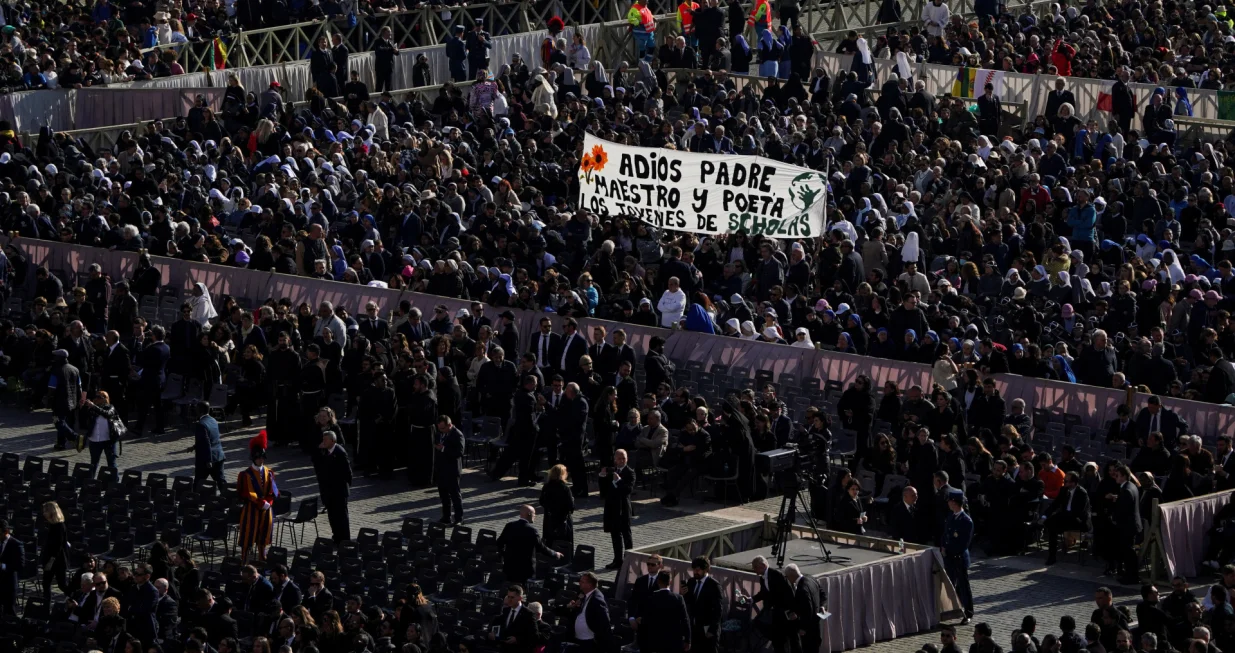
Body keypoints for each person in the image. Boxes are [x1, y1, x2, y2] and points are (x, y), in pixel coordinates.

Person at [237, 432, 279, 564]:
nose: (261, 460)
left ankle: (262, 555)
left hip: (266, 508)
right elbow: (245, 492)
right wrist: (260, 502)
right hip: (251, 508)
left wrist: (269, 502)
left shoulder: (269, 472)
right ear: (253, 458)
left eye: (263, 458)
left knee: (264, 532)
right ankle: (244, 557)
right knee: (248, 534)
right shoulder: (245, 474)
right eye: (259, 458)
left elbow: (273, 490)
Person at [497, 505, 563, 586]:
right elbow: (541, 548)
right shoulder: (532, 530)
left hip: (509, 566)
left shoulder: (510, 526)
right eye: (534, 513)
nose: (535, 516)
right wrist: (555, 554)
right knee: (521, 588)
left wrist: (505, 555)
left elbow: (499, 543)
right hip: (525, 568)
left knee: (510, 587)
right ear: (529, 514)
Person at [314, 429, 353, 542]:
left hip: (339, 492)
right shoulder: (324, 451)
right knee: (332, 517)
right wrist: (319, 450)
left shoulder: (340, 452)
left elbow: (348, 472)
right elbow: (316, 464)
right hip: (328, 491)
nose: (323, 442)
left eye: (326, 440)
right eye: (323, 439)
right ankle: (336, 537)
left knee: (341, 517)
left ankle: (345, 540)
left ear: (333, 440)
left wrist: (345, 486)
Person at [131, 323, 170, 437]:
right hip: (160, 379)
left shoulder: (153, 349)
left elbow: (141, 359)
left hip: (150, 380)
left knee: (144, 405)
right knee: (158, 405)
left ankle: (139, 428)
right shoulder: (166, 347)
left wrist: (140, 343)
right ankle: (160, 427)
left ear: (154, 335)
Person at [751, 555, 796, 653]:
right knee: (761, 627)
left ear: (763, 565)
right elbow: (763, 593)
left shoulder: (777, 575)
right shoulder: (763, 578)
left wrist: (791, 611)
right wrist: (751, 599)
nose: (755, 571)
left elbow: (789, 593)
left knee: (781, 640)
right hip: (772, 613)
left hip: (781, 613)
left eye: (756, 568)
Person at [639, 569, 691, 653]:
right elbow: (685, 620)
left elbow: (646, 620)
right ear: (670, 581)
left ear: (658, 581)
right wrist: (688, 640)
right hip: (673, 641)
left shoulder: (651, 598)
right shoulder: (679, 598)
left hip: (654, 640)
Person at [1045, 472, 1092, 565]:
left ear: (1073, 483)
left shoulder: (1081, 493)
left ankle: (1054, 554)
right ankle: (1052, 556)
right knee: (1050, 524)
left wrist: (1062, 516)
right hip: (1065, 517)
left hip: (1078, 520)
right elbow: (1055, 504)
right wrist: (1045, 515)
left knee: (1054, 522)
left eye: (1066, 481)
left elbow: (1079, 512)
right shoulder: (1064, 490)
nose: (1064, 483)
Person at [942, 490, 974, 623]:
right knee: (951, 584)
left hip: (959, 557)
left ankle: (968, 612)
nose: (948, 503)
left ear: (954, 502)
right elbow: (945, 534)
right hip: (949, 557)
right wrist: (943, 546)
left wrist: (949, 550)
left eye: (950, 501)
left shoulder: (966, 521)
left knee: (963, 586)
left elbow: (963, 544)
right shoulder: (951, 516)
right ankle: (956, 608)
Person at [600, 449, 635, 570]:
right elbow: (604, 490)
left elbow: (628, 490)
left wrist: (618, 481)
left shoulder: (630, 472)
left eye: (623, 458)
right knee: (615, 535)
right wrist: (603, 476)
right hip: (612, 508)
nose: (621, 461)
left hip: (623, 508)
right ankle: (617, 559)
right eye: (619, 459)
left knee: (626, 534)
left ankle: (630, 559)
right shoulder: (612, 471)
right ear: (615, 459)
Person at [684, 556, 723, 653]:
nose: (695, 572)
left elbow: (718, 610)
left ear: (706, 569)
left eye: (698, 570)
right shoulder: (691, 582)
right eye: (694, 569)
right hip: (695, 628)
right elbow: (690, 603)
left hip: (708, 629)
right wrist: (683, 594)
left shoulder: (714, 585)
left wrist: (712, 630)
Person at [433, 415, 465, 525]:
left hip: (452, 470)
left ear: (449, 425)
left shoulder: (457, 435)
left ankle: (459, 518)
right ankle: (446, 517)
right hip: (441, 469)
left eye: (443, 428)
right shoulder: (439, 433)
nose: (441, 430)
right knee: (444, 495)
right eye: (439, 428)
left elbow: (459, 452)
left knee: (455, 495)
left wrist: (444, 449)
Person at [186, 400, 226, 488]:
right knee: (221, 482)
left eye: (196, 408)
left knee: (197, 483)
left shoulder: (201, 424)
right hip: (218, 456)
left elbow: (206, 443)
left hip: (206, 460)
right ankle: (228, 498)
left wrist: (208, 460)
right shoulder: (213, 420)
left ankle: (192, 499)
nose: (195, 410)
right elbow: (210, 439)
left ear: (200, 410)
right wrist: (194, 447)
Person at [569, 571, 611, 651]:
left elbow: (605, 621)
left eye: (582, 581)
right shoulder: (582, 593)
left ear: (589, 585)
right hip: (578, 638)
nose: (579, 583)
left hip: (589, 641)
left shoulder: (597, 599)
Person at [539, 464, 575, 554]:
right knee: (564, 543)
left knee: (549, 541)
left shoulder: (546, 486)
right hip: (563, 520)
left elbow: (541, 501)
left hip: (549, 519)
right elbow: (571, 507)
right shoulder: (565, 488)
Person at [40, 501, 68, 602]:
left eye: (46, 511)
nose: (44, 513)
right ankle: (46, 604)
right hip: (51, 560)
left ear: (52, 512)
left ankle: (75, 598)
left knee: (62, 584)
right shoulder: (51, 525)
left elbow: (58, 547)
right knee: (46, 583)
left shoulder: (59, 526)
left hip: (57, 561)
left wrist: (50, 562)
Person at [0, 519, 23, 616]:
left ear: (6, 532)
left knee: (9, 612)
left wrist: (3, 566)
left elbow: (20, 565)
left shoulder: (16, 544)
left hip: (8, 584)